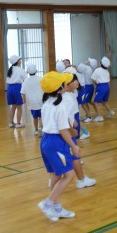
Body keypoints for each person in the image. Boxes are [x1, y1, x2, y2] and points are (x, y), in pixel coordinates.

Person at [37, 71, 80, 221]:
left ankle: (56, 208)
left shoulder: (46, 103)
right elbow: (63, 130)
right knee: (69, 175)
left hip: (45, 140)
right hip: (56, 143)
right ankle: (48, 203)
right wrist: (73, 146)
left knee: (56, 174)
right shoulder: (60, 106)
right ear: (60, 87)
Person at [60, 70, 96, 189]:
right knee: (75, 154)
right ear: (67, 85)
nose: (77, 81)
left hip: (66, 128)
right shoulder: (67, 98)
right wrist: (72, 130)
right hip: (66, 131)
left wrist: (76, 123)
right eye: (73, 80)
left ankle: (55, 180)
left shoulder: (68, 95)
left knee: (63, 155)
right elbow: (64, 119)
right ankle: (81, 180)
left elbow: (71, 115)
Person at [90, 56, 115, 122]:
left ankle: (99, 116)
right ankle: (110, 111)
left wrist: (97, 84)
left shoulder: (97, 70)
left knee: (95, 102)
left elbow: (93, 79)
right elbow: (108, 81)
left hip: (101, 87)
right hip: (107, 87)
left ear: (100, 63)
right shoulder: (107, 71)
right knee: (104, 101)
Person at [20, 63, 43, 135]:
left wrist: (24, 99)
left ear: (28, 72)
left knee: (35, 117)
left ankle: (36, 130)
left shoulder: (26, 81)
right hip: (41, 100)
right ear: (36, 71)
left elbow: (23, 92)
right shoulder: (41, 79)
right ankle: (41, 127)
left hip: (31, 102)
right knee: (41, 116)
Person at [6, 55, 27, 128]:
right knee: (19, 107)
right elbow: (25, 79)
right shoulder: (20, 70)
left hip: (9, 88)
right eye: (19, 60)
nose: (20, 61)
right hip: (17, 88)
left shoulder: (10, 70)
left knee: (13, 106)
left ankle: (11, 122)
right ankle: (18, 123)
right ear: (17, 62)